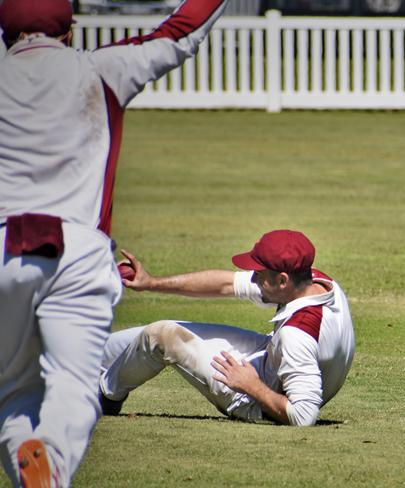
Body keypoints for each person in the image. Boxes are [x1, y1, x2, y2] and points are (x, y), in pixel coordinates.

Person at [0, 0, 230, 485]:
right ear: (70, 29)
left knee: (13, 391)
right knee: (76, 386)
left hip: (5, 250)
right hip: (79, 252)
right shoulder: (101, 68)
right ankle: (51, 462)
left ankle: (30, 459)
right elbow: (182, 31)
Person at [99, 229, 356, 427]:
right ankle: (85, 360)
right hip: (269, 361)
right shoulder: (316, 282)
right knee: (125, 342)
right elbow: (225, 284)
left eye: (259, 273)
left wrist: (251, 385)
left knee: (159, 336)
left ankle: (105, 398)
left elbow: (304, 415)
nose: (253, 278)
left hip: (259, 398)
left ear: (282, 280)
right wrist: (151, 283)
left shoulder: (296, 336)